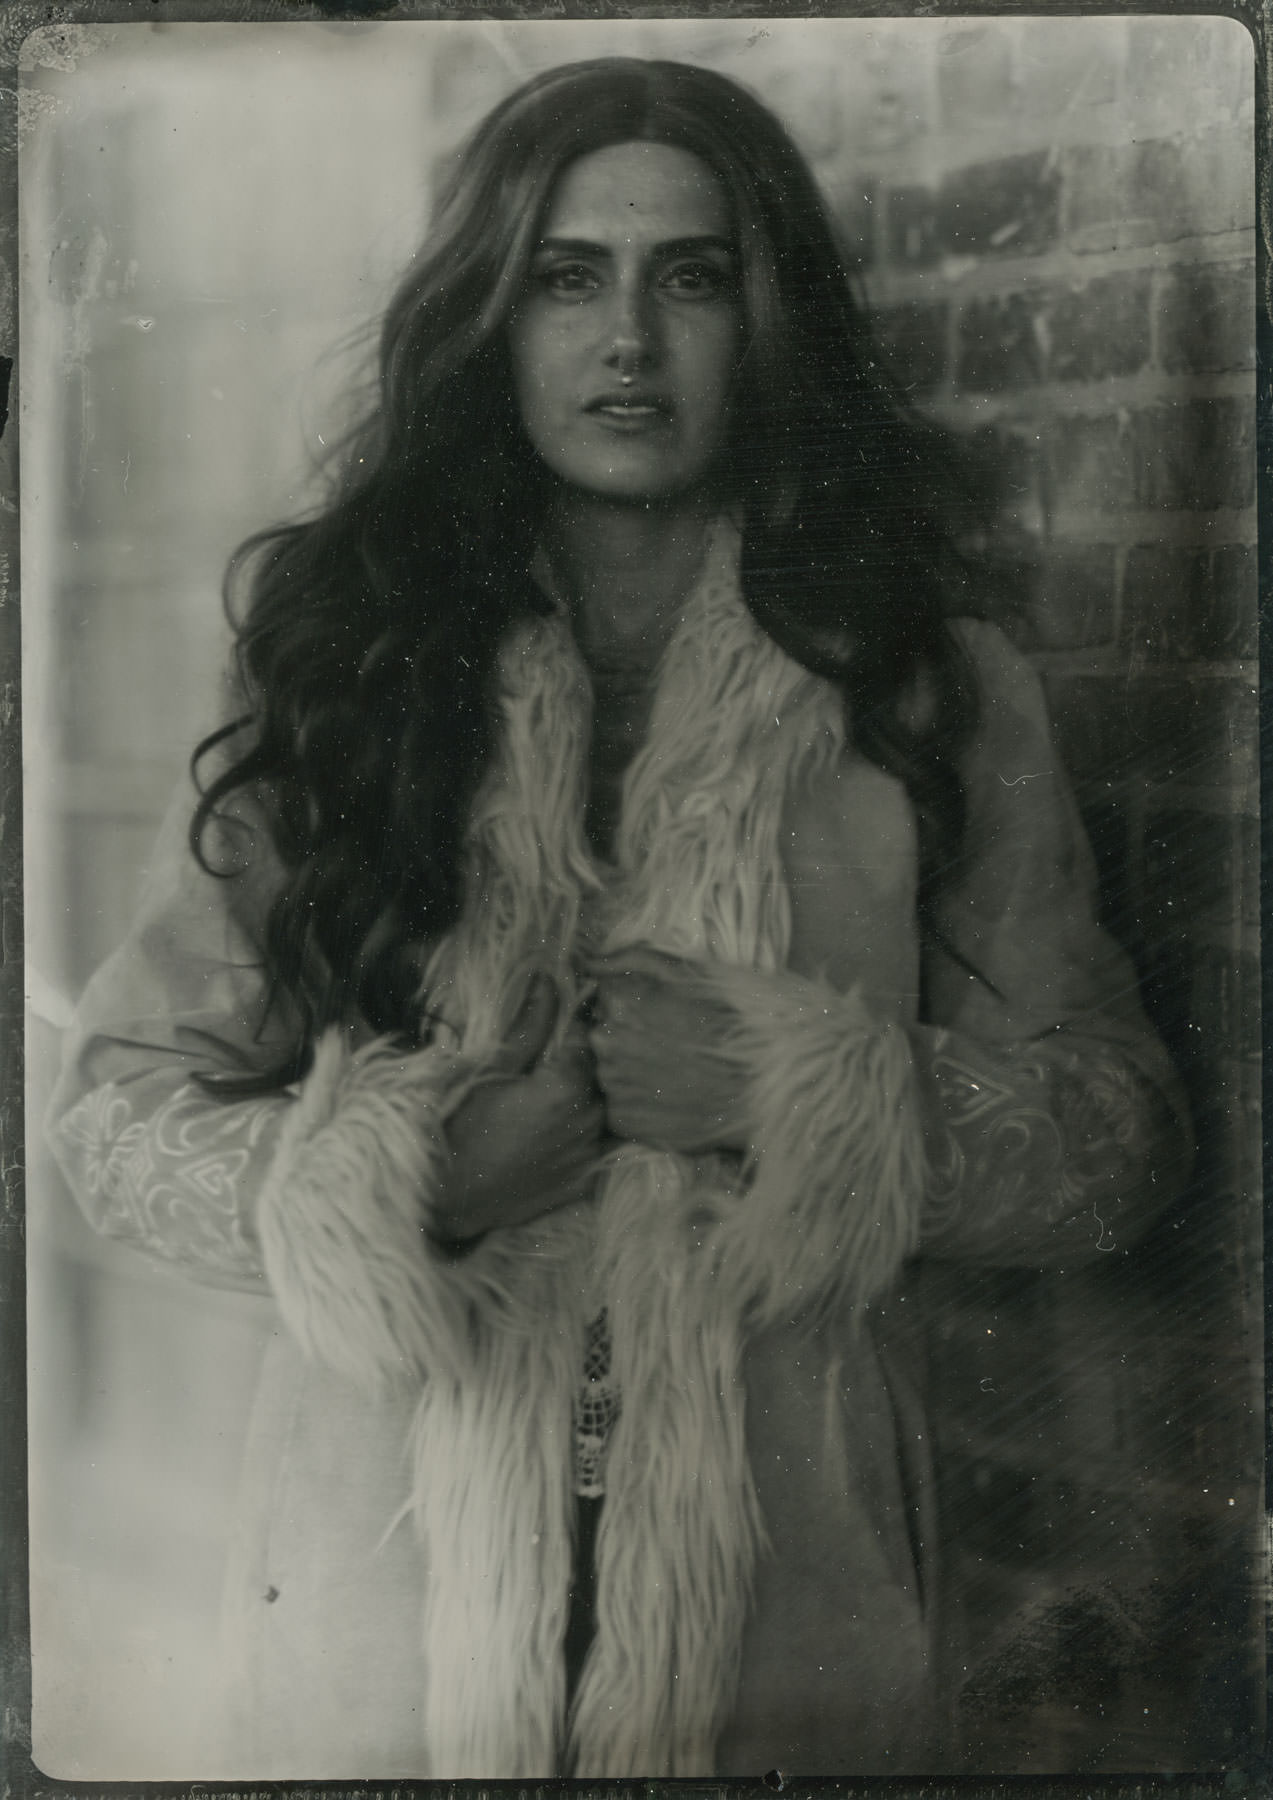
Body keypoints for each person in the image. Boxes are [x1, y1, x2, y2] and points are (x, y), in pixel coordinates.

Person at [47, 56, 1191, 1780]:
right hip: (378, 1576)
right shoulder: (346, 672)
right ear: (488, 318)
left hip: (785, 1586)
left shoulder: (925, 691)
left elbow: (1118, 1132)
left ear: (769, 318)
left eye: (694, 276)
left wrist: (801, 1099)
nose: (629, 342)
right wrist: (409, 1184)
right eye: (566, 278)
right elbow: (111, 1110)